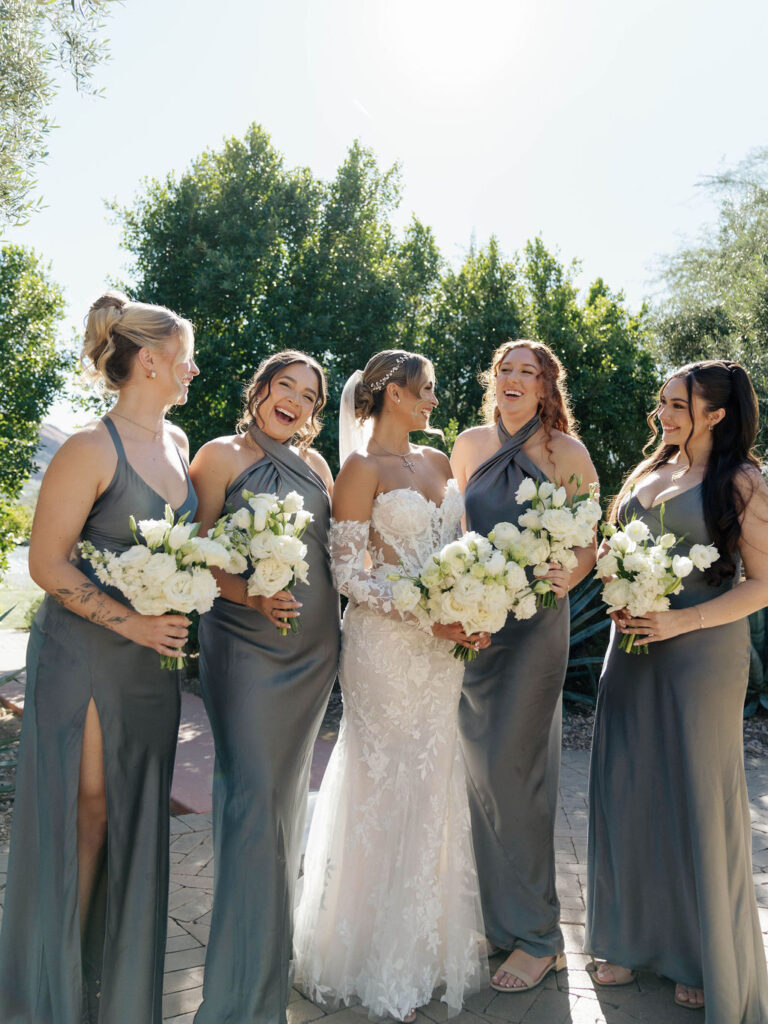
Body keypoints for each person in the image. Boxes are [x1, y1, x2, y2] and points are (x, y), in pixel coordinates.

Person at [0, 290, 199, 1023]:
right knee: (86, 814)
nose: (193, 371)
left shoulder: (178, 446)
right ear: (149, 361)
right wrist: (134, 624)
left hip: (152, 665)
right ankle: (49, 996)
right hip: (87, 654)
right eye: (185, 358)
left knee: (129, 821)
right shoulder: (91, 447)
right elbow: (48, 565)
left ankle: (108, 991)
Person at [294, 350, 490, 1021]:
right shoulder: (359, 470)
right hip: (384, 648)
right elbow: (349, 572)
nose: (434, 400)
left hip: (441, 651)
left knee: (434, 780)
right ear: (392, 394)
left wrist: (472, 605)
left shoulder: (438, 465)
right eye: (426, 390)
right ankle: (364, 952)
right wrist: (428, 611)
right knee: (382, 781)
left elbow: (460, 550)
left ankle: (423, 949)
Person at [585, 360, 768, 1020]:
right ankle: (630, 939)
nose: (664, 414)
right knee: (627, 784)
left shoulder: (742, 480)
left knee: (694, 792)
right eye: (662, 401)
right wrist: (616, 589)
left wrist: (681, 619)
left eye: (679, 405)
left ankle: (699, 954)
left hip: (701, 649)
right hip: (631, 647)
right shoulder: (648, 472)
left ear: (717, 414)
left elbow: (763, 582)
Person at [189, 350, 340, 1024]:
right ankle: (235, 1000)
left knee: (283, 811)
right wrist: (247, 594)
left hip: (312, 655)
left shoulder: (318, 468)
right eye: (286, 386)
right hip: (245, 650)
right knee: (251, 807)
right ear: (259, 389)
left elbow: (334, 559)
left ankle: (266, 977)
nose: (296, 402)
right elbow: (189, 552)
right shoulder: (217, 457)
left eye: (309, 396)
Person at [450, 339, 598, 993]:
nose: (513, 379)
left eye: (527, 372)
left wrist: (568, 571)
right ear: (495, 381)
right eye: (505, 370)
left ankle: (540, 936)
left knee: (517, 768)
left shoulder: (564, 451)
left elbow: (589, 538)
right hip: (479, 627)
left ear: (545, 387)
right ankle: (502, 920)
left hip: (538, 624)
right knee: (478, 768)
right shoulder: (469, 446)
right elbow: (460, 532)